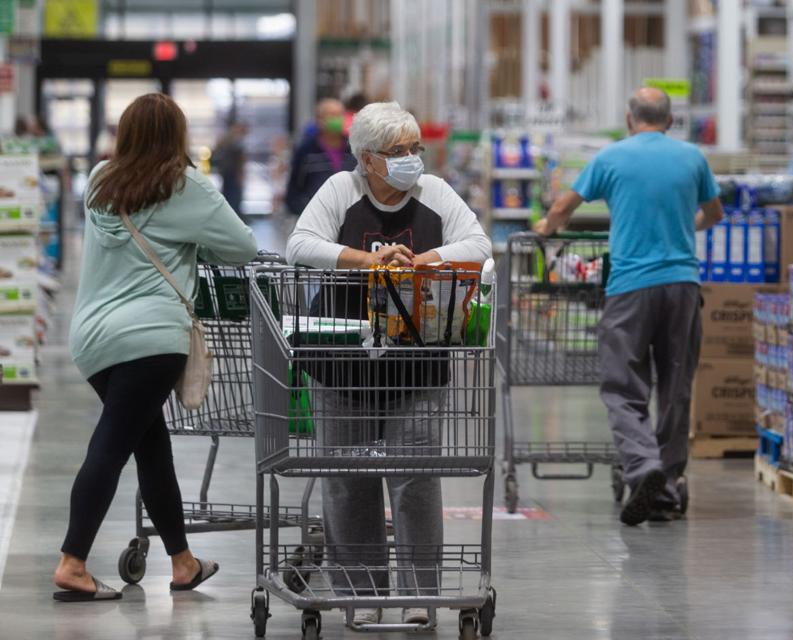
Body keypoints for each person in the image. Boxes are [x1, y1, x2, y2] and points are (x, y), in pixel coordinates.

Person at [286, 100, 489, 628]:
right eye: (397, 151)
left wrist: (424, 260)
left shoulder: (435, 194)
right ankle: (360, 595)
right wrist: (368, 260)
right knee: (346, 478)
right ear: (368, 159)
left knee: (415, 477)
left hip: (416, 363)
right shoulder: (340, 191)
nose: (410, 159)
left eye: (414, 148)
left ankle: (422, 596)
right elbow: (300, 245)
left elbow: (479, 245)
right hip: (342, 365)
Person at [56, 93, 258, 602]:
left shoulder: (100, 180)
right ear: (177, 136)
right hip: (151, 339)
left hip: (93, 337)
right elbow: (244, 246)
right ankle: (73, 562)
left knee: (151, 444)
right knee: (113, 444)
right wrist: (196, 241)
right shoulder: (184, 184)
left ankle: (183, 561)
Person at [535, 87, 725, 527]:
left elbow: (565, 206)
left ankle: (643, 466)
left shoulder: (611, 157)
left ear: (628, 118)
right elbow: (714, 213)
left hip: (631, 287)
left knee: (623, 386)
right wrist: (685, 226)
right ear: (671, 120)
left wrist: (547, 227)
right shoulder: (693, 157)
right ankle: (668, 483)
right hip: (681, 284)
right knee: (676, 386)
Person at [284, 98, 356, 216]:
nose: (338, 119)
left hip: (350, 220)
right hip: (315, 221)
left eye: (340, 115)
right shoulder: (306, 150)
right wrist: (307, 212)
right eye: (333, 115)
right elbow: (293, 191)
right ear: (320, 120)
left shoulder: (354, 149)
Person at [211, 119, 248, 218]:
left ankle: (230, 216)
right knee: (233, 197)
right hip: (231, 173)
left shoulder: (227, 139)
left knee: (230, 196)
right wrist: (241, 174)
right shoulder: (234, 141)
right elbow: (240, 160)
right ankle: (234, 217)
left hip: (227, 172)